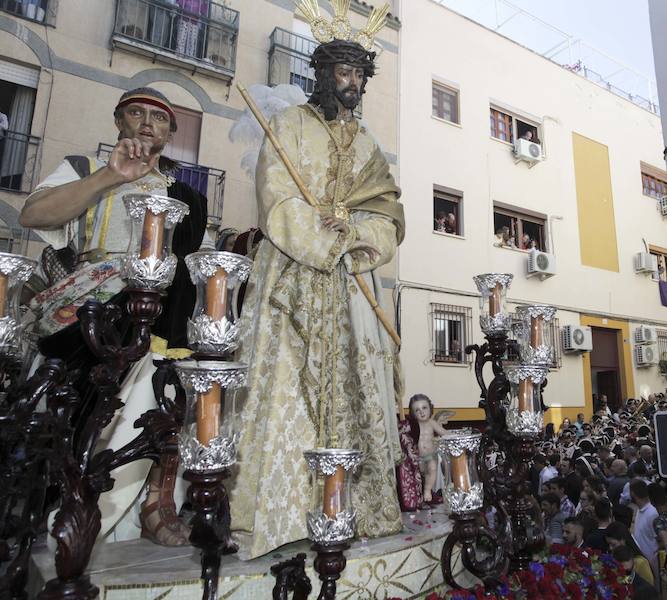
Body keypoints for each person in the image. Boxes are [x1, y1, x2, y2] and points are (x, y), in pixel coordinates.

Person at [228, 4, 405, 560]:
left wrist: (354, 232)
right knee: (283, 384)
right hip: (293, 270)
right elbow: (276, 198)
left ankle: (354, 508)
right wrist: (323, 237)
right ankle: (278, 515)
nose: (350, 85)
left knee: (356, 387)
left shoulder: (370, 146)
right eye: (342, 74)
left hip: (351, 282)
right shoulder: (287, 126)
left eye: (359, 76)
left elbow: (390, 214)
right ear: (324, 74)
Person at [21, 87, 209, 546]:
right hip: (86, 316)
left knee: (166, 403)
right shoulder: (83, 169)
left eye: (159, 118)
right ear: (118, 120)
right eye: (136, 113)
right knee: (67, 416)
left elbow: (183, 267)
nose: (147, 123)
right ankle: (55, 508)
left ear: (170, 133)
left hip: (156, 319)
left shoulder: (184, 195)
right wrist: (110, 176)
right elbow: (33, 214)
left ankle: (151, 505)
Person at [409, 393, 449, 503]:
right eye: (417, 410)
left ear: (430, 408)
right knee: (420, 473)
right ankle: (420, 492)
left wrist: (453, 434)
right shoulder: (414, 425)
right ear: (413, 413)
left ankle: (427, 491)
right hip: (418, 456)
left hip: (430, 455)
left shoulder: (432, 423)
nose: (421, 412)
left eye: (424, 408)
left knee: (431, 469)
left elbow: (443, 432)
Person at [606, 521, 654, 587]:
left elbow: (649, 589)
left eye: (613, 544)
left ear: (623, 541)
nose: (610, 548)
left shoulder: (640, 563)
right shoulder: (611, 559)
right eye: (608, 544)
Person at [630, 479, 659, 562]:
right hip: (643, 562)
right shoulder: (639, 510)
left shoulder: (652, 513)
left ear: (633, 494)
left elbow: (659, 540)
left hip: (653, 563)